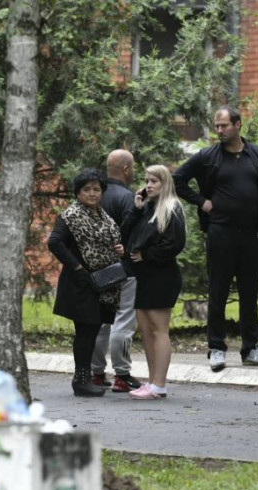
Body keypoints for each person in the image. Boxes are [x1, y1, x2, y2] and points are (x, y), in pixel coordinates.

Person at [173, 105, 258, 373]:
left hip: (253, 235)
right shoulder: (208, 156)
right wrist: (202, 202)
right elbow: (177, 180)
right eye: (217, 126)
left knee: (249, 292)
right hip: (221, 233)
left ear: (238, 125)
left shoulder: (257, 155)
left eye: (224, 125)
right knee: (218, 290)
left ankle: (251, 348)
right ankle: (216, 348)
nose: (219, 130)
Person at [48, 168, 124, 397]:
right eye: (86, 189)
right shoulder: (71, 215)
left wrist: (118, 249)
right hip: (80, 284)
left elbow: (106, 243)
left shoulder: (102, 215)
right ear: (78, 193)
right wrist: (78, 267)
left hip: (102, 282)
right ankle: (81, 380)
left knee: (92, 331)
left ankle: (85, 378)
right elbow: (55, 242)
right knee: (85, 331)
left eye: (96, 189)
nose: (92, 193)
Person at [121, 165, 186, 400]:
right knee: (146, 330)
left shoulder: (172, 208)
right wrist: (136, 209)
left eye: (154, 181)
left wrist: (147, 255)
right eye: (147, 181)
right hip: (143, 276)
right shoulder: (147, 208)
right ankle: (151, 381)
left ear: (164, 183)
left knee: (159, 329)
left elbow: (174, 243)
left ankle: (159, 384)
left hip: (162, 276)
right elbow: (125, 235)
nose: (148, 185)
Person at [90, 149, 143, 393]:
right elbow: (132, 235)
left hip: (97, 269)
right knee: (123, 320)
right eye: (133, 167)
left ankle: (96, 373)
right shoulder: (128, 198)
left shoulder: (94, 197)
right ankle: (122, 374)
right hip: (124, 269)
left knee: (101, 321)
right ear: (125, 169)